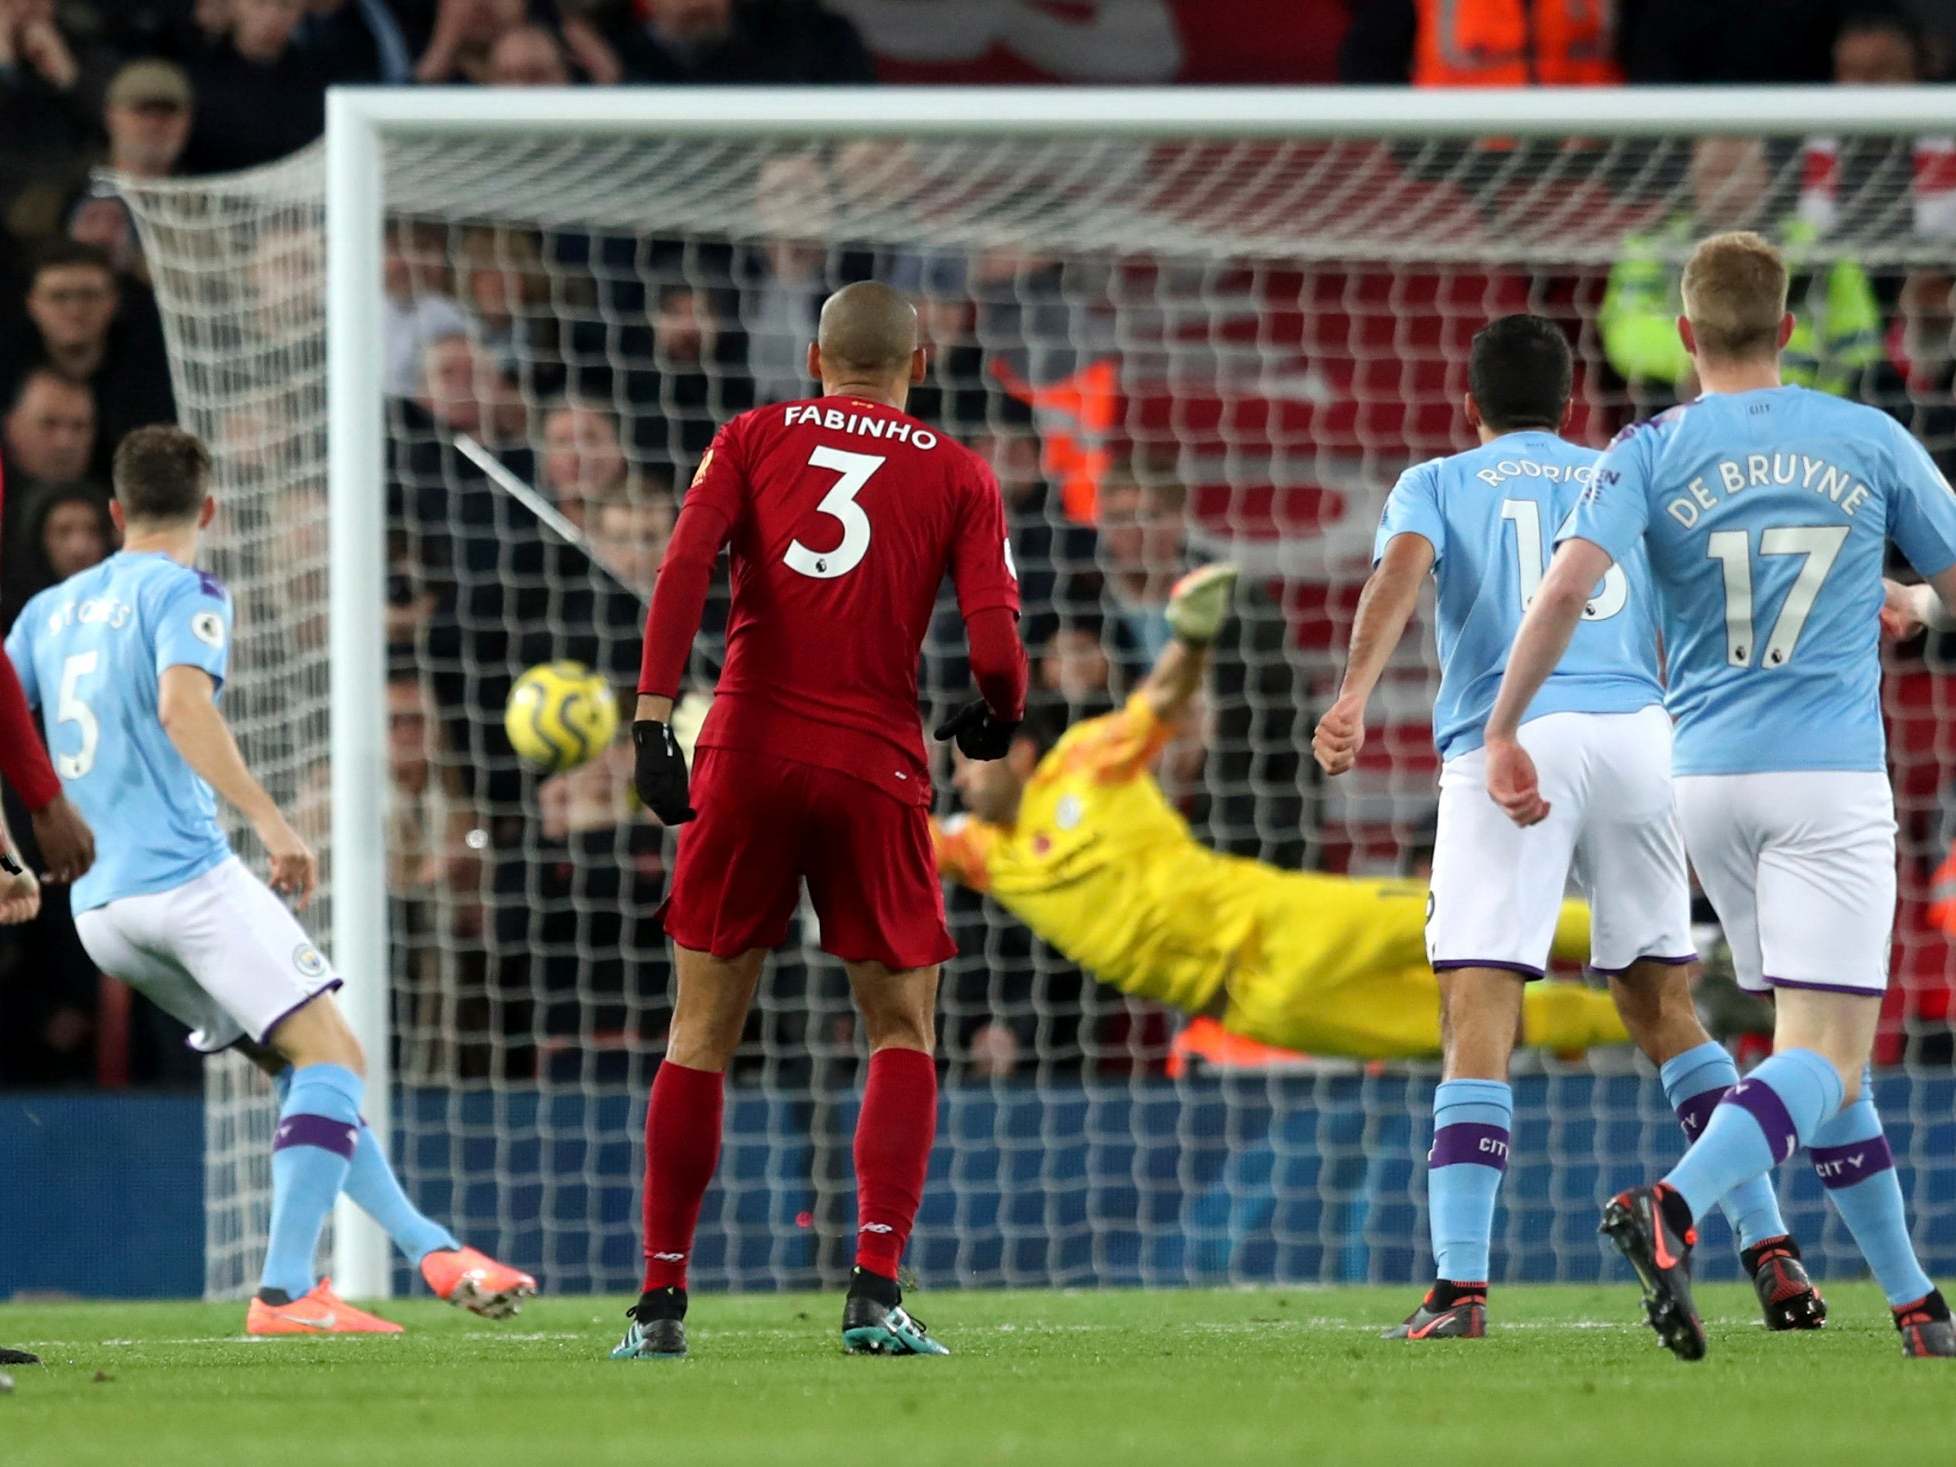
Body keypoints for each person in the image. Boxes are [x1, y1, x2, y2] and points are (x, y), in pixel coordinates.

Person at [1483, 231, 1956, 1362]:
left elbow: (1561, 593)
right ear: (1790, 330)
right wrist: (1914, 604)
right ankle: (1675, 1208)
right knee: (1833, 1053)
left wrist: (1503, 728)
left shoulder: (1646, 447)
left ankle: (1916, 1309)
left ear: (1688, 336)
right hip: (1828, 780)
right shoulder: (1869, 435)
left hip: (1707, 784)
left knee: (1816, 1058)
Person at [1316, 313, 1822, 1342]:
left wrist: (1353, 696)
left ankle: (1460, 1289)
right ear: (1571, 405)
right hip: (1642, 739)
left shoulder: (1438, 480)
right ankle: (1772, 1254)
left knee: (1479, 1005)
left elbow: (1397, 578)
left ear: (1470, 406)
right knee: (1661, 1002)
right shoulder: (1622, 469)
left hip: (1513, 741)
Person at [4, 426, 537, 1335]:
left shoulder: (45, 611)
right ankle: (286, 1290)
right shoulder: (187, 589)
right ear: (208, 511)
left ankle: (434, 1251)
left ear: (116, 513)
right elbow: (182, 705)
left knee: (305, 1069)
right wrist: (272, 820)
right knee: (339, 1057)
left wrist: (9, 852)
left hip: (99, 908)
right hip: (184, 878)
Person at [619, 280, 1027, 1360]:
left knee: (699, 1031)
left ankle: (661, 1306)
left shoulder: (750, 435)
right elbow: (995, 644)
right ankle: (874, 1290)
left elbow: (683, 569)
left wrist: (654, 720)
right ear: (922, 366)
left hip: (745, 748)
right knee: (901, 1026)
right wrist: (997, 717)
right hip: (874, 763)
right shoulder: (957, 470)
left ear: (813, 356)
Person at [939, 562, 1631, 1065]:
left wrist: (1192, 636)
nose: (962, 778)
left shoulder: (1086, 760)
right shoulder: (982, 854)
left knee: (1464, 925)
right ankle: (1666, 1014)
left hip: (1278, 919)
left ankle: (1668, 939)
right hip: (1252, 1005)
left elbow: (1161, 700)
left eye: (971, 760)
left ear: (1019, 752)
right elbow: (887, 831)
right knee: (1479, 1025)